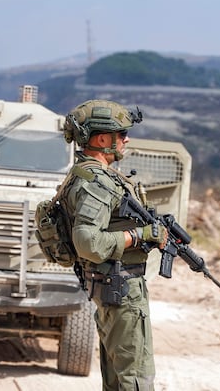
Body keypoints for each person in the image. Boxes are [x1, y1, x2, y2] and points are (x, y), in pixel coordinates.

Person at [61, 100, 167, 391]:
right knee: (135, 380)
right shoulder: (97, 182)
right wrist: (140, 235)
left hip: (111, 287)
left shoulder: (88, 174)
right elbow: (88, 242)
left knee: (118, 382)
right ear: (102, 139)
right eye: (122, 134)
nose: (126, 139)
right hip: (120, 292)